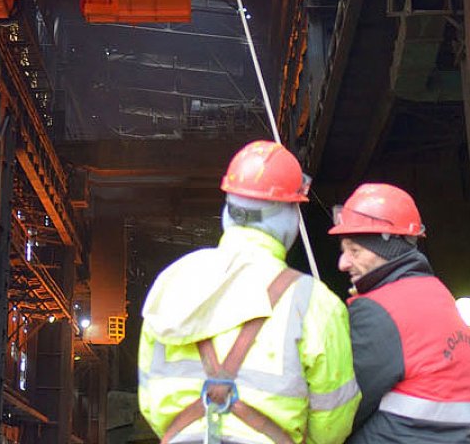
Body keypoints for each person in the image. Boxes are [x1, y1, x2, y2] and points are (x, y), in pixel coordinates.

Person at [138, 141, 360, 444]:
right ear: (289, 215)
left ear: (228, 210)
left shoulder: (172, 281)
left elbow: (149, 395)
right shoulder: (313, 301)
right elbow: (333, 419)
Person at [328, 183, 470, 444]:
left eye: (354, 251)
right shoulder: (438, 294)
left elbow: (343, 408)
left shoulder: (381, 309)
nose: (343, 263)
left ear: (387, 248)